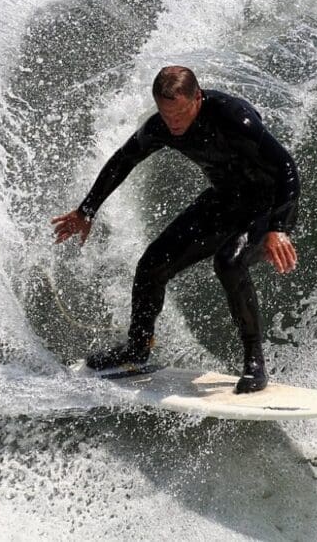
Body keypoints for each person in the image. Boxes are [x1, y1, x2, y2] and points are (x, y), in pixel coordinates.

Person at [51, 66, 299, 393]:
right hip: (224, 202)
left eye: (180, 113)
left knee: (229, 262)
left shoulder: (234, 118)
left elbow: (286, 168)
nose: (174, 123)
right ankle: (137, 350)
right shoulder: (162, 127)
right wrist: (87, 210)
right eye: (166, 115)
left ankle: (255, 362)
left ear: (198, 97)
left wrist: (278, 228)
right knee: (152, 264)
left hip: (269, 206)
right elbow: (124, 159)